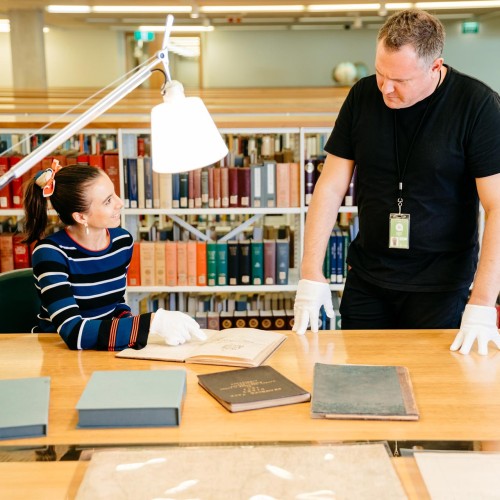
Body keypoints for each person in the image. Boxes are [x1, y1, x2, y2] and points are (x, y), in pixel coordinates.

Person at [293, 9, 500, 356]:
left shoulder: (477, 106)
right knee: (359, 384)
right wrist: (310, 272)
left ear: (435, 67)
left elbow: (497, 207)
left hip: (441, 286)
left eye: (400, 80)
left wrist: (482, 300)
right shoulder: (362, 96)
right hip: (368, 278)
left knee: (434, 394)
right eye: (380, 73)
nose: (386, 88)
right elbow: (329, 187)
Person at [23, 161, 205, 350]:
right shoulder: (50, 253)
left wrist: (138, 332)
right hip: (56, 350)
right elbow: (73, 332)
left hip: (100, 347)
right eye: (108, 201)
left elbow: (115, 305)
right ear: (81, 217)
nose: (120, 203)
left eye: (114, 193)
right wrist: (152, 322)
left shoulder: (122, 242)